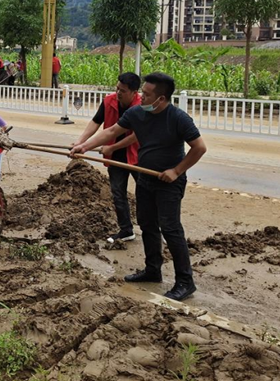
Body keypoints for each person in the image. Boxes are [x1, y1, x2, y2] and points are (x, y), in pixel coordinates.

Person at [70, 72, 207, 302]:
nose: (141, 97)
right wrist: (84, 146)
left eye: (147, 94)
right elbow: (111, 131)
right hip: (145, 177)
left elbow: (199, 148)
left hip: (169, 183)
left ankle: (185, 281)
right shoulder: (136, 113)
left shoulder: (178, 118)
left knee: (171, 228)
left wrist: (176, 171)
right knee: (147, 224)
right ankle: (153, 270)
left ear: (161, 99)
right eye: (142, 92)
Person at [72, 72, 142, 244]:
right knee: (118, 193)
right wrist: (80, 143)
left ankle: (155, 228)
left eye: (123, 91)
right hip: (116, 155)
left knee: (147, 193)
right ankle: (126, 230)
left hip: (138, 155)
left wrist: (111, 147)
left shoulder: (141, 107)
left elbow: (136, 136)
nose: (118, 93)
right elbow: (96, 122)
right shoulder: (109, 101)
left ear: (134, 92)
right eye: (117, 88)